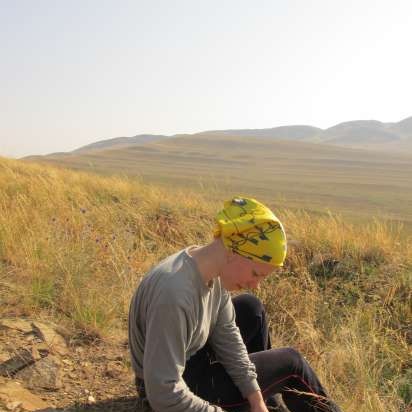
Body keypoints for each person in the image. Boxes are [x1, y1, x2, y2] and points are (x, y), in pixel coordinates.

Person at [128, 197, 341, 412]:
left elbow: (228, 337)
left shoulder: (208, 270)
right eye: (255, 273)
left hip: (190, 361)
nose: (255, 284)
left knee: (251, 308)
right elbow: (163, 393)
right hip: (167, 393)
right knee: (291, 364)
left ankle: (267, 406)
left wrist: (256, 399)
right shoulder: (175, 294)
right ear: (233, 251)